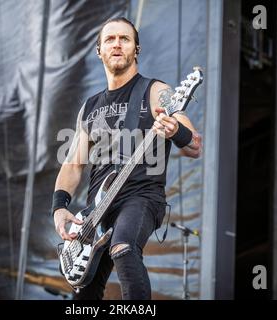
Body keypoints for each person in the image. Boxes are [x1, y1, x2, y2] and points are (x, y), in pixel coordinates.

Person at [51, 17, 202, 300]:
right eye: (110, 39)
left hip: (141, 196)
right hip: (97, 211)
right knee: (85, 293)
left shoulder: (156, 91)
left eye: (124, 39)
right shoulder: (90, 107)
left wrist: (175, 130)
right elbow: (73, 164)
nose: (117, 44)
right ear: (99, 51)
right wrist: (59, 207)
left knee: (123, 247)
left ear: (136, 49)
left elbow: (194, 145)